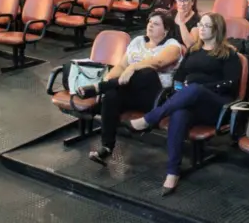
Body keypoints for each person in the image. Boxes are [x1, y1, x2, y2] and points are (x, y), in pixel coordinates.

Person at [127, 13, 242, 194]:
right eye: (200, 25)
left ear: (217, 30)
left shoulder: (229, 54)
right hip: (191, 99)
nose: (201, 29)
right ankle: (173, 171)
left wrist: (198, 88)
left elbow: (231, 84)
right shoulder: (194, 50)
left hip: (215, 104)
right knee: (179, 114)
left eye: (206, 26)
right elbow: (179, 76)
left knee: (195, 88)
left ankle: (151, 118)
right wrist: (181, 90)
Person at [76, 11, 182, 165]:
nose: (150, 25)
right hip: (131, 92)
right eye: (150, 22)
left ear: (165, 30)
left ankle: (100, 87)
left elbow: (157, 63)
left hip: (155, 97)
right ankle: (106, 147)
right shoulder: (138, 41)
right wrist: (108, 78)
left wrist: (133, 67)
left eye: (156, 23)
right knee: (111, 95)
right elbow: (120, 66)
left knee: (147, 72)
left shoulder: (172, 45)